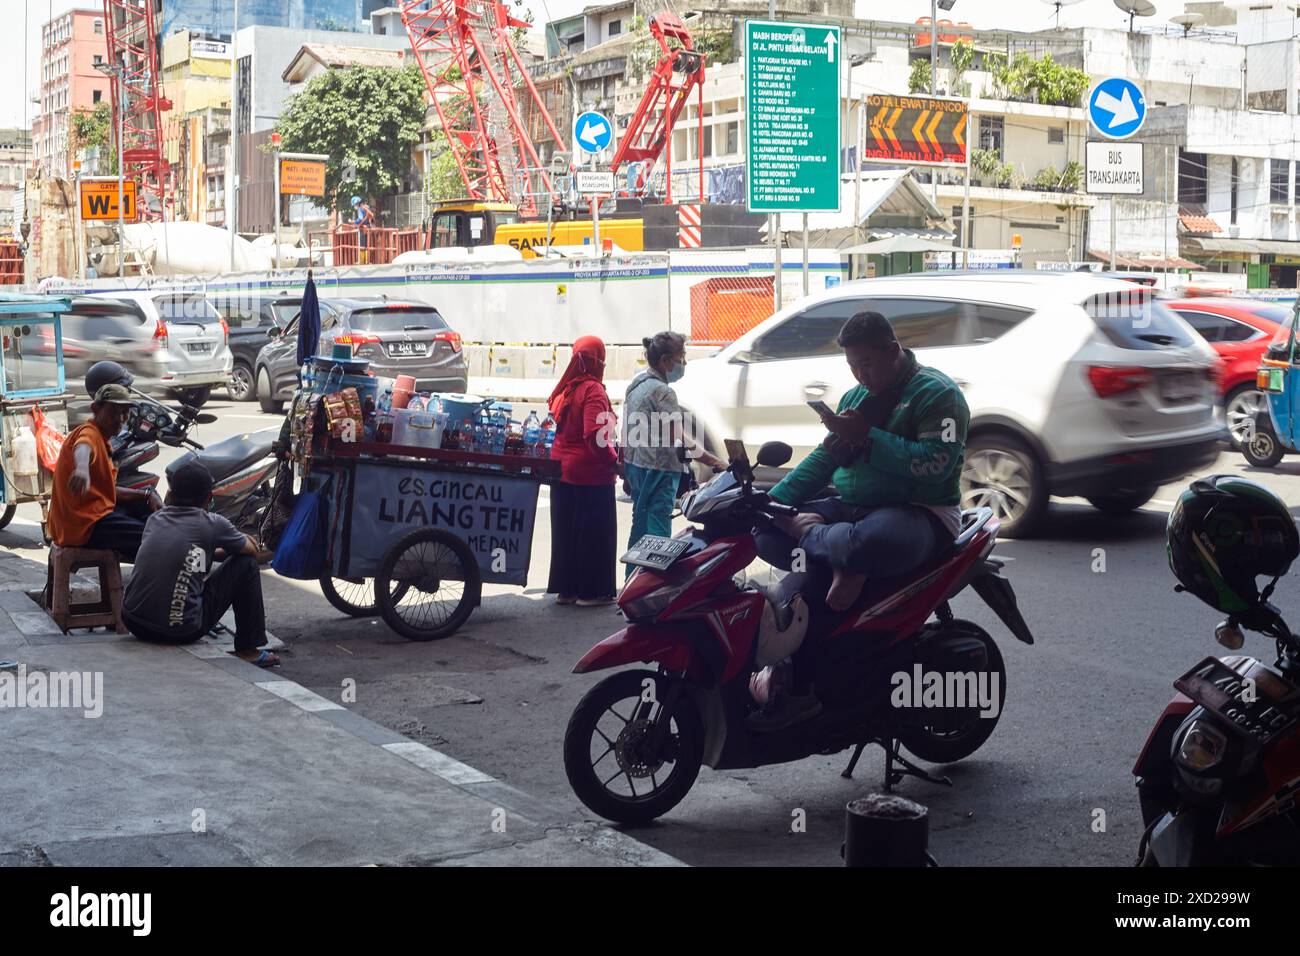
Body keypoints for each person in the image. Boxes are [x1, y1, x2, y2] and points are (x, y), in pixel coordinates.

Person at [751, 311, 969, 728]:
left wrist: (868, 437)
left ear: (892, 351)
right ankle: (843, 564)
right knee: (766, 535)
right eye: (852, 365)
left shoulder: (938, 395)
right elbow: (823, 460)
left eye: (866, 363)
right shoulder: (855, 399)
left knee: (866, 544)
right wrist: (771, 503)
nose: (859, 374)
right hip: (852, 510)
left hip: (917, 512)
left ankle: (834, 549)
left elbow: (935, 466)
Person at [122, 459, 279, 667]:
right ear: (209, 498)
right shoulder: (212, 523)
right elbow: (251, 551)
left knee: (195, 562)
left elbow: (190, 551)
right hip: (180, 630)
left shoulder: (156, 518)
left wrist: (214, 548)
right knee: (247, 564)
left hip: (134, 622)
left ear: (170, 495)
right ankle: (248, 649)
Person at [622, 331, 724, 575]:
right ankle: (654, 586)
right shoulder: (664, 392)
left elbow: (627, 429)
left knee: (640, 523)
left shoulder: (636, 384)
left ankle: (633, 582)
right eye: (682, 357)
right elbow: (678, 436)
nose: (684, 363)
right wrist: (713, 460)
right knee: (658, 529)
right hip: (659, 470)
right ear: (666, 361)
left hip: (636, 466)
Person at [47, 383, 161, 562]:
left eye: (124, 412)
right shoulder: (89, 433)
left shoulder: (103, 440)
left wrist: (146, 495)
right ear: (96, 409)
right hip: (82, 526)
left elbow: (109, 491)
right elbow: (83, 447)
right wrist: (82, 469)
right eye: (113, 412)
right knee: (153, 539)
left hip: (94, 515)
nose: (120, 418)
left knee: (149, 510)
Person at [547, 335, 619, 606]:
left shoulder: (567, 388)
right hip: (591, 475)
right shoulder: (593, 391)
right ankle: (591, 593)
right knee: (593, 534)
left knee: (567, 533)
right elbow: (594, 436)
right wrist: (614, 462)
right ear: (598, 360)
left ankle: (567, 591)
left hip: (562, 471)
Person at [351, 195, 376, 264]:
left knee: (362, 245)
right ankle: (367, 261)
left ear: (357, 203)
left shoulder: (360, 208)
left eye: (354, 205)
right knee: (367, 245)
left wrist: (355, 223)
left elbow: (360, 218)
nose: (354, 206)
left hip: (363, 229)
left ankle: (362, 261)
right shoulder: (366, 207)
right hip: (369, 228)